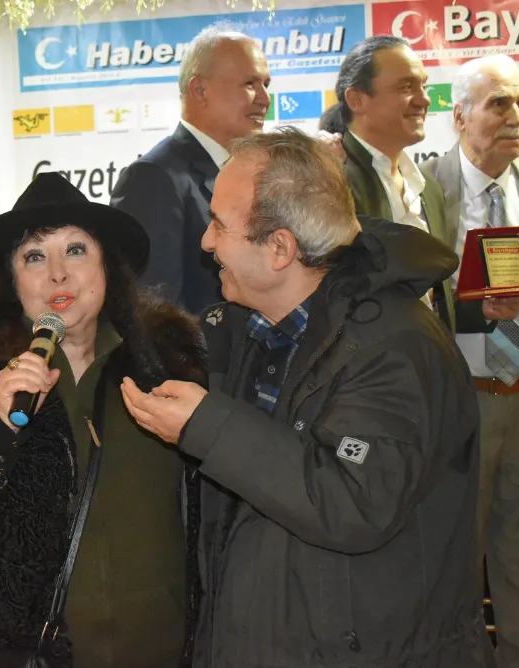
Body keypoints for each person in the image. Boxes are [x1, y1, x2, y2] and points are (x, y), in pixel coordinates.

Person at [121, 128, 491, 667]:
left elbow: (353, 501)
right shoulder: (247, 329)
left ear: (279, 249)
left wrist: (206, 425)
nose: (205, 242)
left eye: (220, 224)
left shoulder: (396, 348)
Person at [0, 172, 207, 668]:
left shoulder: (165, 366)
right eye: (34, 257)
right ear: (11, 280)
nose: (58, 274)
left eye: (76, 250)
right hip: (18, 656)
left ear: (107, 265)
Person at [420, 54, 519, 668]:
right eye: (499, 104)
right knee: (457, 561)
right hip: (463, 403)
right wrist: (472, 309)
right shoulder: (422, 188)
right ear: (460, 117)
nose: (516, 117)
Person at [110, 26, 270, 315]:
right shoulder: (153, 179)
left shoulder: (251, 174)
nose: (264, 99)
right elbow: (157, 315)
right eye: (250, 83)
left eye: (266, 85)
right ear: (200, 90)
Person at [334, 35, 457, 330]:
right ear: (356, 99)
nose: (424, 99)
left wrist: (483, 310)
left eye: (423, 85)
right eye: (406, 87)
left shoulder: (428, 187)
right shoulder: (329, 180)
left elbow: (432, 299)